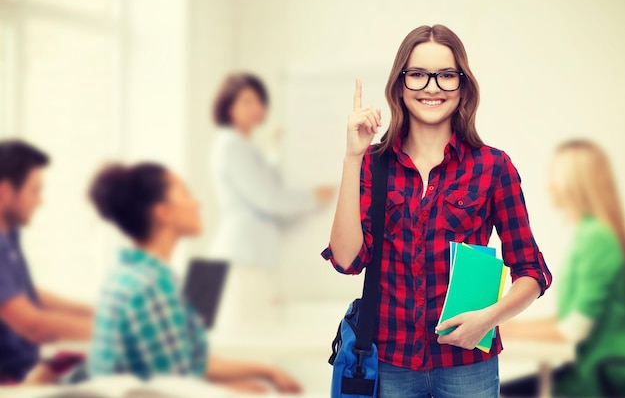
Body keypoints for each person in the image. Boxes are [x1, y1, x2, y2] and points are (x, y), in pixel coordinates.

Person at [322, 24, 552, 398]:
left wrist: (487, 320)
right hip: (389, 365)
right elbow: (347, 260)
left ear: (463, 87)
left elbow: (532, 271)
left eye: (446, 76)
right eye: (418, 75)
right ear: (400, 85)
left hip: (468, 368)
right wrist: (353, 156)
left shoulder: (493, 167)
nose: (432, 87)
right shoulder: (374, 165)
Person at [87, 162, 302, 394]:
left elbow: (189, 364)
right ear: (163, 213)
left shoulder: (128, 274)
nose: (196, 202)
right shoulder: (153, 286)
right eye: (185, 194)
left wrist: (265, 371)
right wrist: (236, 391)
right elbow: (173, 388)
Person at [500, 140, 625, 397]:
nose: (549, 186)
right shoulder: (590, 234)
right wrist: (501, 324)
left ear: (576, 184)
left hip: (599, 375)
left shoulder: (597, 238)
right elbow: (567, 318)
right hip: (586, 369)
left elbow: (573, 330)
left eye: (555, 177)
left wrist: (495, 327)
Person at [210, 73, 335, 325]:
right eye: (246, 101)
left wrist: (275, 150)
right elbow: (269, 198)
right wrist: (313, 196)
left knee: (249, 342)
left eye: (259, 101)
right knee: (245, 346)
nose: (256, 108)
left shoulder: (242, 146)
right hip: (240, 260)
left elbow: (266, 185)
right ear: (228, 105)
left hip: (246, 259)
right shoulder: (231, 145)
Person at [0, 139, 93, 383]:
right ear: (6, 191)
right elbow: (32, 324)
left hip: (29, 370)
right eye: (35, 190)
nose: (40, 201)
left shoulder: (9, 236)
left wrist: (95, 311)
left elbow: (25, 295)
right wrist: (113, 330)